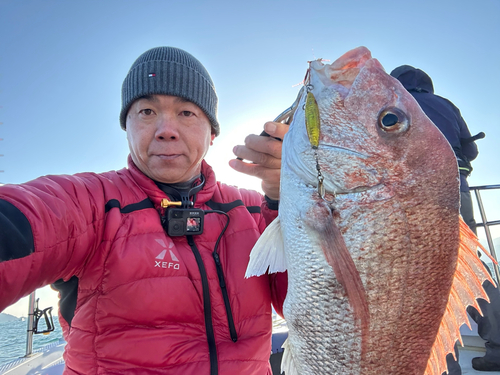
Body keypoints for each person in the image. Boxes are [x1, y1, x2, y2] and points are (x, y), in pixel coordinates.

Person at [0, 46, 289, 375]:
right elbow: (24, 217)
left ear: (212, 134)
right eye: (147, 111)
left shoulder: (254, 211)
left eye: (186, 112)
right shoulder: (93, 203)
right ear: (128, 127)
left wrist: (284, 198)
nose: (166, 128)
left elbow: (314, 305)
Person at [391, 65, 500, 373]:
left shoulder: (391, 103)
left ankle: (443, 367)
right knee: (471, 268)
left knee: (419, 280)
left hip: (407, 199)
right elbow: (471, 149)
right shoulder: (447, 105)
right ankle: (498, 347)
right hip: (456, 193)